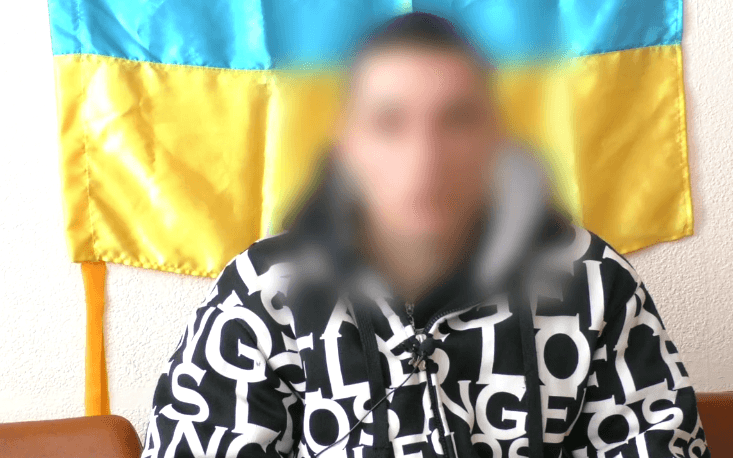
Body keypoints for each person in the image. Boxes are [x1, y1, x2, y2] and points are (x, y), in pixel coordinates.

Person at [142, 12, 709, 458]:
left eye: (456, 120)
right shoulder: (264, 290)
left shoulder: (593, 282)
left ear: (494, 137)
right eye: (389, 124)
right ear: (347, 145)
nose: (425, 160)